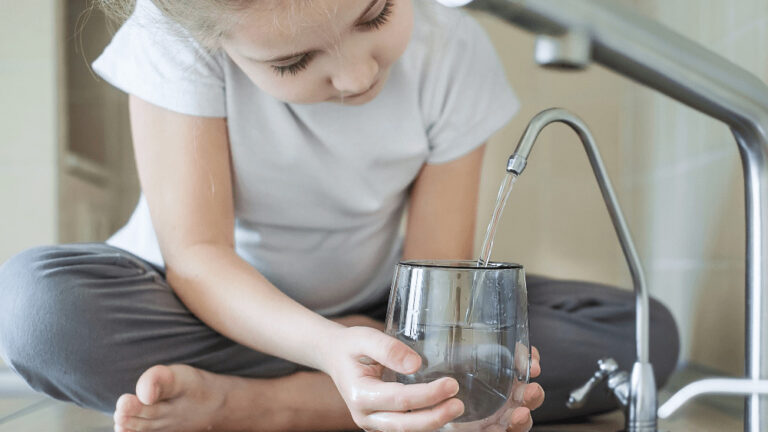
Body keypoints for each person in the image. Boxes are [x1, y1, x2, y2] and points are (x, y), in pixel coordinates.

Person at [0, 0, 679, 431]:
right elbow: (199, 259)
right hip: (194, 304)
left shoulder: (453, 50)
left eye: (375, 14)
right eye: (294, 61)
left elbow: (436, 280)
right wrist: (327, 345)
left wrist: (411, 350)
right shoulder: (173, 35)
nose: (356, 78)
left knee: (647, 338)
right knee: (40, 312)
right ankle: (363, 398)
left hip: (386, 310)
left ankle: (264, 407)